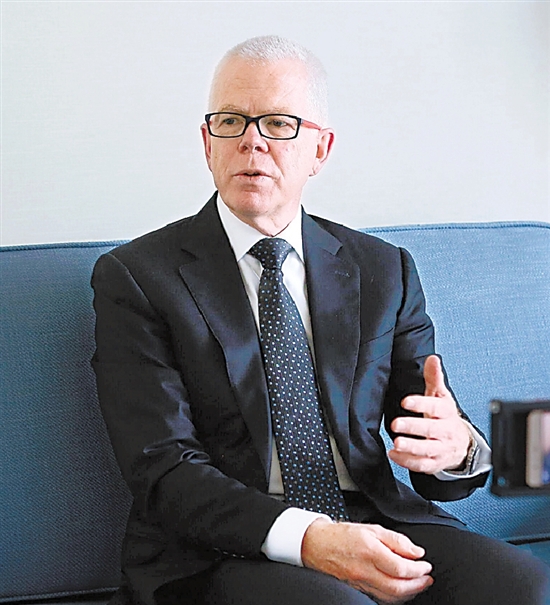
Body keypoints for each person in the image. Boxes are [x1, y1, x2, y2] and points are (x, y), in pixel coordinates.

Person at [92, 35, 548, 605]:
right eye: (231, 122)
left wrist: (456, 449)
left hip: (372, 514)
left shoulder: (383, 269)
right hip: (222, 546)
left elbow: (428, 435)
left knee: (525, 586)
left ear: (321, 149)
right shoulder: (138, 278)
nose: (252, 141)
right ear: (207, 144)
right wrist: (311, 539)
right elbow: (162, 467)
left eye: (278, 123)